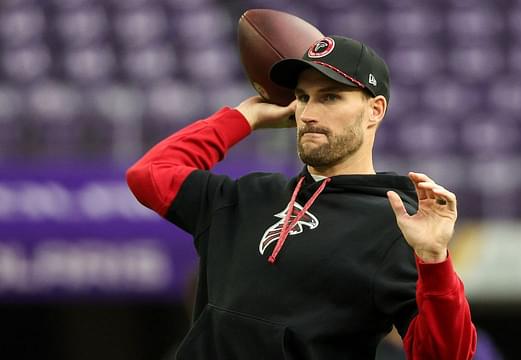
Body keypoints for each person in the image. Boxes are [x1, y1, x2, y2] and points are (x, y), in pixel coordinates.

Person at [127, 35, 476, 359]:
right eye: (302, 96)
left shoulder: (398, 224)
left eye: (330, 97)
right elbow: (150, 174)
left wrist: (434, 260)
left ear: (375, 110)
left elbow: (446, 355)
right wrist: (242, 118)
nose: (307, 114)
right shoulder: (246, 195)